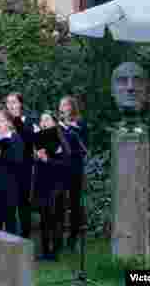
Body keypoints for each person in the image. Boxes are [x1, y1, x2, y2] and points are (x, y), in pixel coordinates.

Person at [34, 112, 71, 261]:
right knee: (44, 218)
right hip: (42, 183)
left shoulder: (62, 139)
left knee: (55, 217)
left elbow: (65, 165)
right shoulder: (39, 138)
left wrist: (47, 160)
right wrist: (37, 157)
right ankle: (44, 251)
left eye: (47, 119)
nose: (44, 122)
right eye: (42, 119)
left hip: (57, 184)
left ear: (54, 123)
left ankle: (54, 252)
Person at [0, 107, 24, 234]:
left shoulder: (15, 138)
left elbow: (18, 161)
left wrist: (1, 155)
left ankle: (11, 251)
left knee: (10, 219)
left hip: (10, 185)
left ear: (9, 122)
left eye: (1, 121)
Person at [5, 92, 36, 238]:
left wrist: (16, 121)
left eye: (14, 102)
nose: (10, 105)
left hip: (24, 168)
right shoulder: (3, 121)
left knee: (23, 203)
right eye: (8, 102)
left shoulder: (28, 121)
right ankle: (9, 237)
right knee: (9, 203)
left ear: (20, 104)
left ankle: (25, 237)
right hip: (7, 168)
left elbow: (29, 141)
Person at [59, 95, 87, 250]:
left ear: (71, 107)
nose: (61, 108)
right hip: (61, 167)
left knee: (75, 203)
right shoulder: (58, 124)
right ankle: (59, 235)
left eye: (64, 105)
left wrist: (72, 128)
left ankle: (73, 237)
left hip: (75, 168)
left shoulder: (80, 123)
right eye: (60, 105)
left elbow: (84, 146)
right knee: (60, 201)